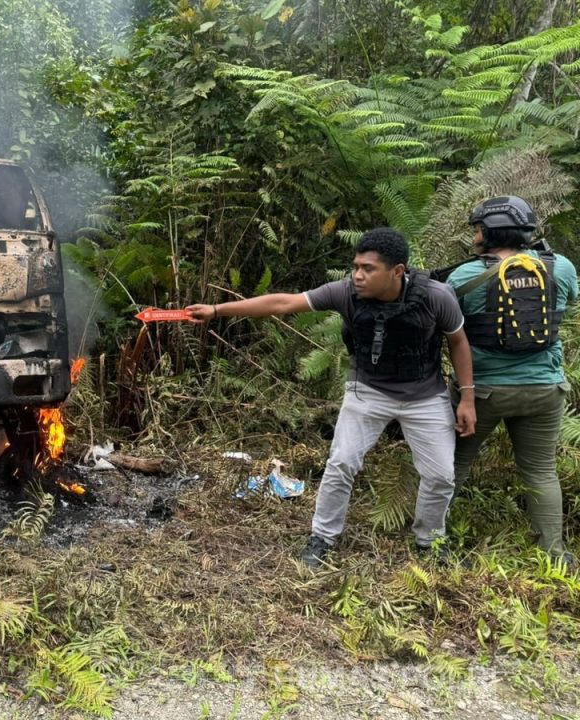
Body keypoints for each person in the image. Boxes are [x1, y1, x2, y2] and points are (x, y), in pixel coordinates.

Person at [187, 228, 476, 569]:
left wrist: (467, 398)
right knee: (341, 463)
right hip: (367, 391)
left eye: (368, 268)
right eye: (355, 266)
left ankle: (431, 540)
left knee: (441, 475)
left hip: (425, 395)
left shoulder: (436, 297)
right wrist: (217, 310)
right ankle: (322, 536)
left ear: (397, 271)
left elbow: (458, 342)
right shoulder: (345, 292)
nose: (357, 275)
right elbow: (284, 302)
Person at [446, 195, 578, 567]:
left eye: (476, 228)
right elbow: (563, 308)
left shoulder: (464, 276)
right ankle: (554, 555)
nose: (473, 235)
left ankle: (431, 539)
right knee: (540, 470)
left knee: (455, 465)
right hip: (545, 390)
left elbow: (451, 329)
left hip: (483, 393)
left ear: (490, 231)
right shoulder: (560, 267)